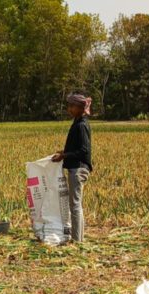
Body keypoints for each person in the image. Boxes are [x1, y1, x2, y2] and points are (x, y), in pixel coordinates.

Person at [52, 93, 93, 243]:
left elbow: (84, 150)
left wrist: (64, 156)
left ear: (81, 108)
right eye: (69, 106)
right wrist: (65, 153)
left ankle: (77, 240)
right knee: (76, 204)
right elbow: (77, 148)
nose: (69, 109)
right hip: (76, 167)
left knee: (75, 205)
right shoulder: (77, 122)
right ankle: (78, 238)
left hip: (78, 168)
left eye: (72, 106)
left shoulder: (81, 125)